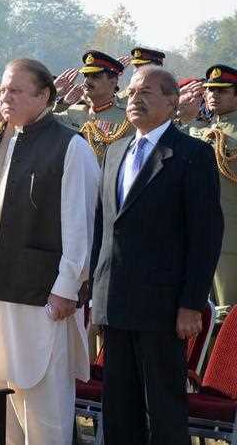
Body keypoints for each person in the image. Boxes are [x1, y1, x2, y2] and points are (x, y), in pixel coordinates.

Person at [0, 58, 100, 444]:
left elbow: (80, 225)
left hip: (38, 298)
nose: (4, 98)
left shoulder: (70, 147)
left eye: (16, 90)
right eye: (2, 89)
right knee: (0, 404)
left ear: (44, 95)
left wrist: (66, 288)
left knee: (43, 409)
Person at [91, 66, 223, 444]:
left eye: (146, 92)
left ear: (171, 101)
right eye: (131, 92)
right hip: (115, 304)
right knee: (119, 409)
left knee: (163, 410)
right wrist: (94, 294)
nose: (135, 98)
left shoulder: (191, 154)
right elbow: (104, 228)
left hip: (163, 309)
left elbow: (205, 237)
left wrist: (190, 304)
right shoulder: (116, 151)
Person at [187, 64, 237, 306]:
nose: (213, 95)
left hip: (231, 240)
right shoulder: (198, 131)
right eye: (209, 90)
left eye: (222, 90)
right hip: (197, 235)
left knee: (228, 313)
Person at [55, 50, 132, 160]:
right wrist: (53, 93)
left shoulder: (128, 118)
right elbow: (42, 122)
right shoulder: (73, 111)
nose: (87, 81)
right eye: (86, 75)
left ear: (113, 82)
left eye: (95, 76)